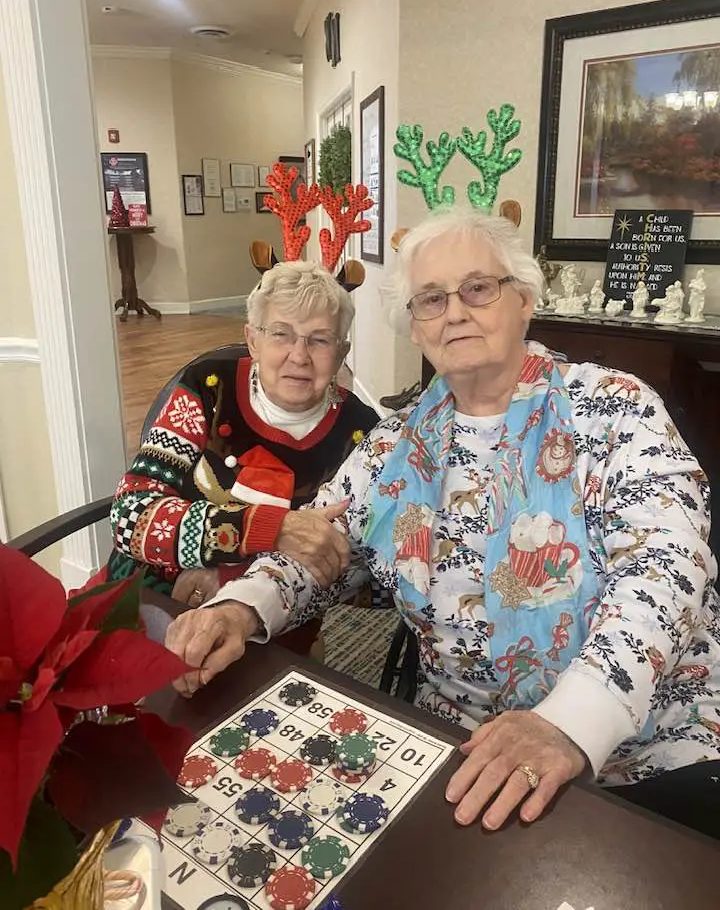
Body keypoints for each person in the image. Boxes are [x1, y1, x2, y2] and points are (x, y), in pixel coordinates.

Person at [165, 209, 720, 838]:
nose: (454, 311)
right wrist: (240, 608)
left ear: (524, 302)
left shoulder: (614, 407)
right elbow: (324, 545)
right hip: (459, 743)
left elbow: (667, 567)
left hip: (644, 749)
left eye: (478, 288)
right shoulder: (394, 443)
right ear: (416, 326)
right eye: (431, 299)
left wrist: (571, 721)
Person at [107, 261, 377, 653]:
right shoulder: (206, 388)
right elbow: (131, 517)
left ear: (342, 353)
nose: (299, 356)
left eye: (320, 340)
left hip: (275, 620)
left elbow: (344, 562)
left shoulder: (361, 432)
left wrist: (232, 576)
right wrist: (271, 529)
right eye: (281, 334)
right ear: (252, 340)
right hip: (152, 595)